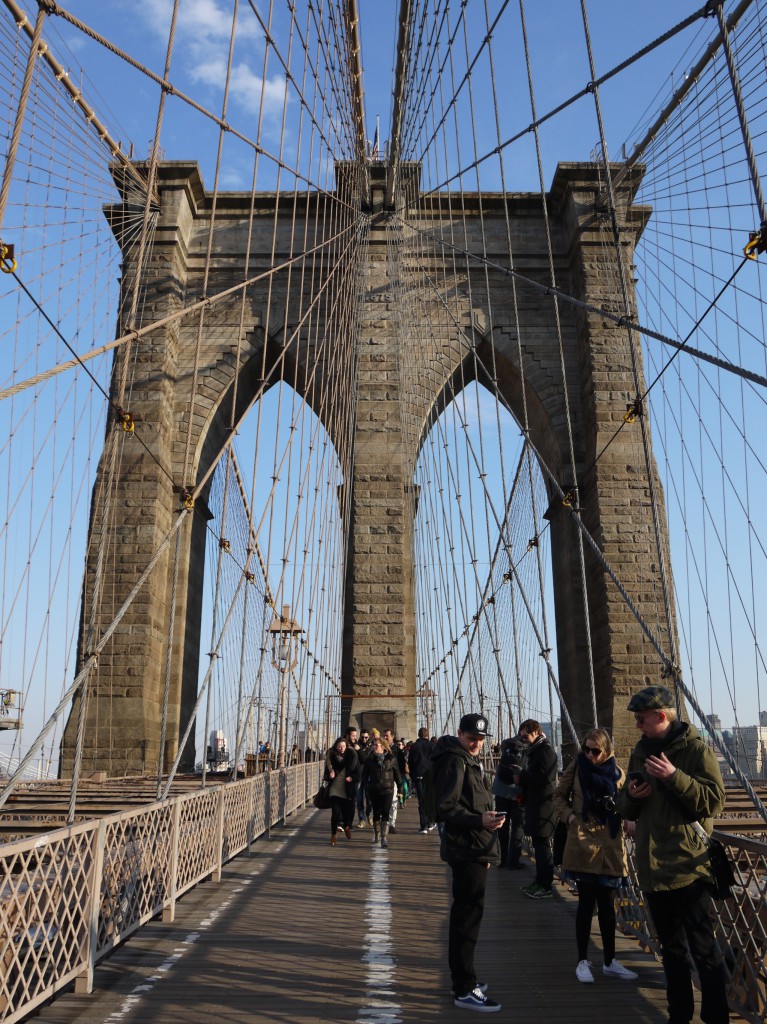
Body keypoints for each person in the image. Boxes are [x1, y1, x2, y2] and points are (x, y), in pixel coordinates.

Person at [617, 685, 728, 1024]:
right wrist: (634, 796)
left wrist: (674, 776)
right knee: (672, 952)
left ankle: (716, 1018)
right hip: (652, 870)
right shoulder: (639, 752)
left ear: (660, 717)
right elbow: (625, 808)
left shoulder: (696, 751)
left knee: (704, 951)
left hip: (687, 868)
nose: (637, 726)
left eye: (641, 720)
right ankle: (678, 1016)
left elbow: (713, 802)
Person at [554, 727, 638, 983]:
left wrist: (631, 817)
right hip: (582, 843)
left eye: (595, 751)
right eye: (586, 749)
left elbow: (628, 802)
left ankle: (610, 961)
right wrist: (569, 817)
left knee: (608, 908)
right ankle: (582, 961)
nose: (589, 754)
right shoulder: (577, 768)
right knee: (586, 905)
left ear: (607, 751)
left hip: (610, 846)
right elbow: (558, 795)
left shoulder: (618, 773)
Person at [432, 712, 503, 1013]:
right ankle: (464, 987)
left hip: (475, 847)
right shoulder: (454, 760)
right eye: (472, 738)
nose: (476, 744)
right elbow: (445, 808)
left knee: (467, 916)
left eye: (480, 740)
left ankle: (463, 978)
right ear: (460, 733)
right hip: (466, 849)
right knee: (467, 918)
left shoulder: (465, 758)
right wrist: (479, 821)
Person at [518, 719, 558, 898]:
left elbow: (544, 778)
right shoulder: (536, 750)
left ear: (535, 731)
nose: (523, 739)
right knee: (538, 845)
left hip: (544, 807)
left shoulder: (546, 751)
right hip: (536, 804)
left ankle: (546, 886)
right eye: (521, 736)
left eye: (525, 735)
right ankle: (540, 881)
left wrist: (523, 776)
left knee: (542, 847)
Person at [361, 735, 402, 848]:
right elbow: (364, 775)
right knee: (376, 812)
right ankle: (377, 833)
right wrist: (366, 785)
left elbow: (397, 774)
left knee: (385, 812)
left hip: (388, 789)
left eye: (376, 745)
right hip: (374, 789)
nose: (374, 747)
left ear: (383, 747)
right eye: (373, 745)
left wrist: (400, 788)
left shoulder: (391, 758)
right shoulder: (369, 759)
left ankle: (384, 837)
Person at [491, 734, 525, 869]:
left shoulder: (506, 744)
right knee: (517, 826)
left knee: (502, 825)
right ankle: (514, 860)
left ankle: (503, 859)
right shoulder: (528, 748)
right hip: (517, 794)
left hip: (500, 792)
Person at [323, 737, 359, 846]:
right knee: (335, 813)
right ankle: (333, 835)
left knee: (347, 813)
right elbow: (325, 776)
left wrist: (352, 778)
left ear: (346, 747)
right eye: (339, 747)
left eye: (343, 746)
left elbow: (358, 774)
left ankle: (347, 826)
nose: (342, 749)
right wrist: (329, 775)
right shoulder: (331, 758)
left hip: (347, 789)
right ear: (335, 747)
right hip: (335, 789)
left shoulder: (352, 757)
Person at [408, 726, 437, 832]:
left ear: (419, 735)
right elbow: (435, 761)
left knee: (421, 800)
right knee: (430, 799)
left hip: (418, 776)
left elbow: (410, 762)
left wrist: (412, 775)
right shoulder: (432, 746)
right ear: (427, 735)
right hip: (429, 776)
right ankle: (431, 822)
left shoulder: (414, 746)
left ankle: (423, 825)